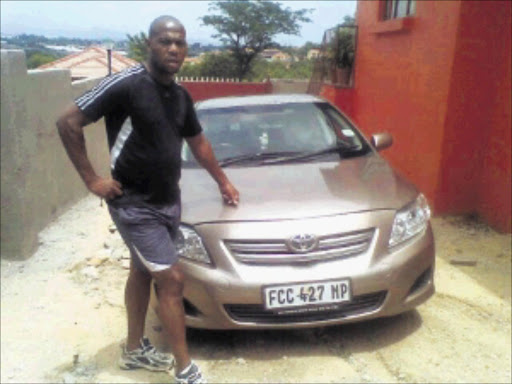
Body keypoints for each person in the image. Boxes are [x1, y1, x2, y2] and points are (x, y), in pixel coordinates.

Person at [56, 15, 239, 384]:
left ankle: (134, 349)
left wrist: (222, 181)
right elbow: (67, 121)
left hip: (168, 201)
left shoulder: (181, 95)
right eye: (165, 41)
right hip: (133, 203)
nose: (174, 48)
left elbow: (198, 143)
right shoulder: (126, 84)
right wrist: (92, 180)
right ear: (149, 45)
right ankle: (184, 369)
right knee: (171, 279)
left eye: (180, 43)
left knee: (141, 271)